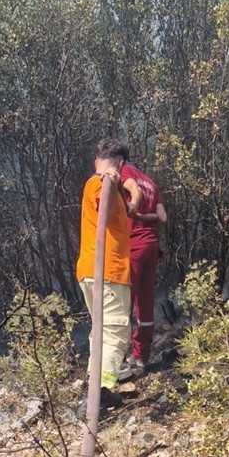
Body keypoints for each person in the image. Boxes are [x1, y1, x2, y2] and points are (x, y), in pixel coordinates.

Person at [76, 139, 132, 410]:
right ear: (121, 164)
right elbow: (106, 210)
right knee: (115, 331)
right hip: (108, 269)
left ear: (95, 160)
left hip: (93, 269)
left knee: (101, 331)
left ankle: (94, 388)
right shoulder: (99, 183)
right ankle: (99, 393)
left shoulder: (98, 182)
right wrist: (111, 181)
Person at [117, 146, 167, 376]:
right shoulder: (153, 184)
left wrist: (133, 210)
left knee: (123, 302)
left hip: (134, 245)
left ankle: (118, 358)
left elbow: (132, 189)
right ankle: (141, 356)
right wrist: (148, 218)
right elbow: (163, 219)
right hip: (152, 247)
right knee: (145, 302)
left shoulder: (126, 171)